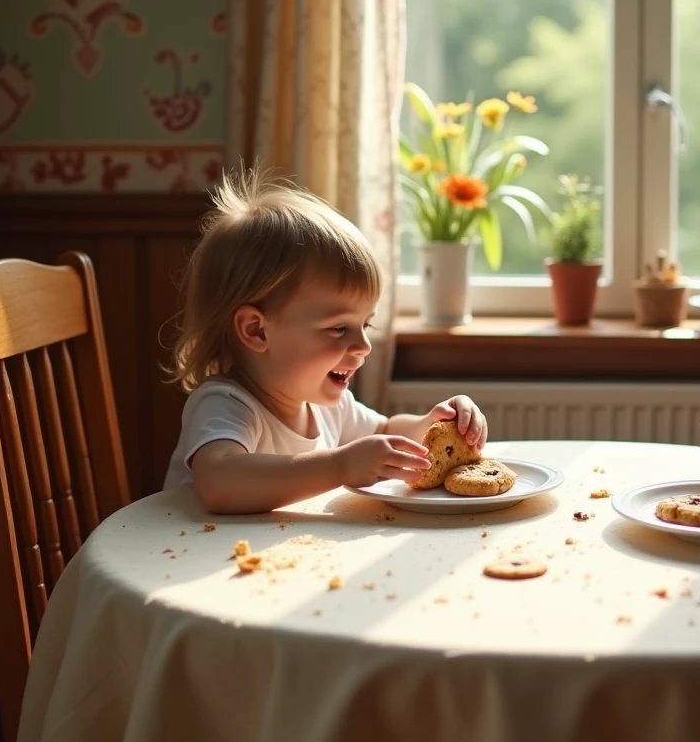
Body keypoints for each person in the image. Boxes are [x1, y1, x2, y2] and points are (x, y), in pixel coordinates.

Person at [162, 171, 487, 514]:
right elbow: (221, 484)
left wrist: (435, 422)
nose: (363, 346)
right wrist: (340, 466)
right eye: (338, 329)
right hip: (189, 561)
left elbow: (386, 430)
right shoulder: (225, 404)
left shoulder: (330, 406)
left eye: (366, 324)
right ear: (257, 331)